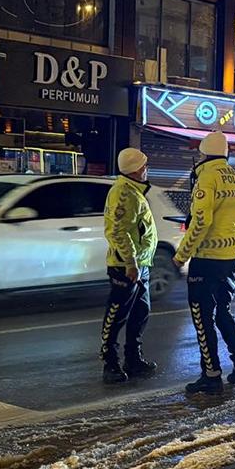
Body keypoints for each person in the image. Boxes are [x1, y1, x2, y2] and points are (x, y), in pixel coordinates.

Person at [174, 132, 235, 394]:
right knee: (223, 311)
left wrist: (181, 255)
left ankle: (211, 375)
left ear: (203, 154)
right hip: (232, 258)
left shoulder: (206, 178)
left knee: (202, 318)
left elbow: (200, 222)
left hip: (206, 260)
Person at [99, 147, 159, 384]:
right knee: (117, 315)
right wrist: (131, 263)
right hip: (126, 267)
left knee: (140, 313)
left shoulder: (134, 191)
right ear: (135, 170)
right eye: (144, 166)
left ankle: (133, 358)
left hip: (140, 264)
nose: (146, 169)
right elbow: (119, 232)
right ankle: (110, 362)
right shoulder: (124, 194)